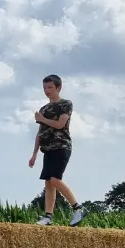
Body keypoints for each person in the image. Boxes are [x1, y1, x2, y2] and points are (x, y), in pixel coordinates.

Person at [29, 75, 86, 226]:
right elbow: (39, 133)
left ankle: (78, 208)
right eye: (44, 88)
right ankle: (48, 217)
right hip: (47, 149)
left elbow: (61, 124)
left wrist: (42, 119)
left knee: (55, 179)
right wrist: (34, 153)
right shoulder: (44, 109)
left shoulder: (65, 104)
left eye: (50, 88)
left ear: (58, 88)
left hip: (61, 146)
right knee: (48, 183)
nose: (46, 91)